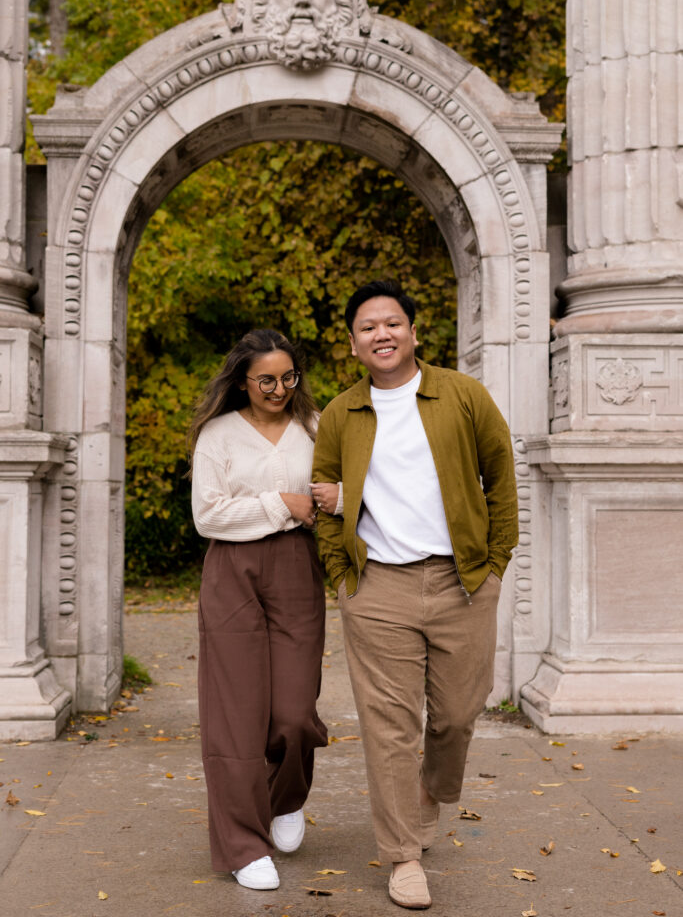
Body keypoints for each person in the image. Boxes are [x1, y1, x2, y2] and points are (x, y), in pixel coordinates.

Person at [312, 280, 518, 910]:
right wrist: (339, 572)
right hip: (378, 588)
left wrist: (495, 565)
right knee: (389, 726)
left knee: (457, 714)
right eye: (369, 327)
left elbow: (501, 474)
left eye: (393, 323)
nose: (382, 334)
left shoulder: (462, 395)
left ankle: (432, 787)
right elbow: (324, 490)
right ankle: (403, 855)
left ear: (414, 332)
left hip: (462, 581)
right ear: (353, 345)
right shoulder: (340, 413)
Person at [189, 329, 340, 891]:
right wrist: (282, 503)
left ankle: (284, 798)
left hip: (299, 568)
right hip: (233, 572)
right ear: (243, 380)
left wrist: (333, 500)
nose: (279, 388)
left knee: (296, 713)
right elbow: (209, 516)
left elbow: (342, 493)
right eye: (266, 380)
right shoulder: (218, 435)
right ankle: (242, 844)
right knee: (236, 715)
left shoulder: (317, 427)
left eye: (288, 377)